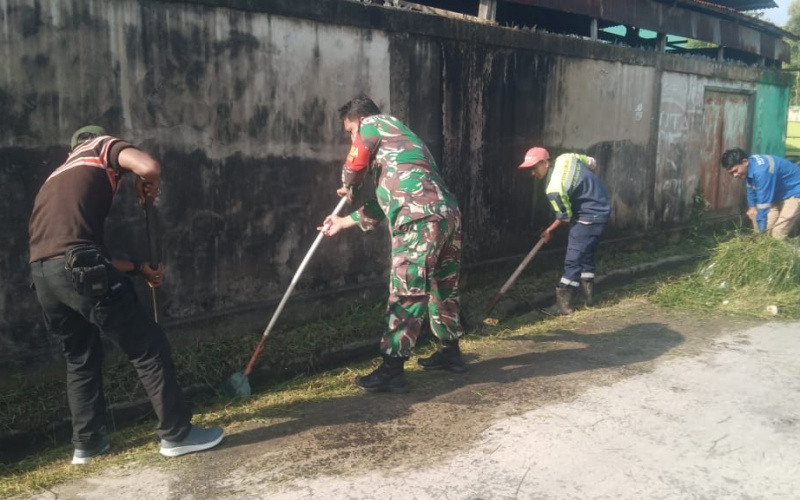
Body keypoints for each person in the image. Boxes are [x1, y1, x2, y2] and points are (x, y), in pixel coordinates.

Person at [28, 125, 224, 464]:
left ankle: (87, 444)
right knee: (148, 346)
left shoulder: (56, 179)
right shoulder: (100, 148)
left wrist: (138, 268)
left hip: (44, 276)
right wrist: (146, 181)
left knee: (81, 359)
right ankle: (177, 435)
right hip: (77, 268)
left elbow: (79, 256)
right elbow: (149, 166)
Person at [319, 97, 466, 393]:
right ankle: (450, 352)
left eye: (350, 131)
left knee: (406, 291)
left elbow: (354, 164)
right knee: (442, 286)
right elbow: (392, 198)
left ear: (359, 120)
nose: (352, 137)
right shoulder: (404, 141)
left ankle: (392, 369)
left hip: (418, 220)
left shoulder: (372, 124)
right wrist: (344, 221)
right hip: (447, 215)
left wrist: (349, 185)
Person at [518, 147, 611, 315]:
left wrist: (549, 230)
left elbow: (565, 217)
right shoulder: (567, 158)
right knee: (587, 254)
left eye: (534, 167)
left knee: (573, 260)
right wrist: (586, 186)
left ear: (545, 163)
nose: (532, 173)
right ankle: (588, 298)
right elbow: (592, 163)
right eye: (530, 169)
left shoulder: (553, 188)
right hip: (603, 208)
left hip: (587, 216)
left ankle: (563, 306)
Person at [720, 148, 800, 239]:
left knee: (777, 233)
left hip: (795, 193)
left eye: (735, 170)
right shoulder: (750, 165)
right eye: (731, 173)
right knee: (766, 228)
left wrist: (761, 231)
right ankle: (762, 240)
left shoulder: (761, 171)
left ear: (745, 162)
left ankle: (785, 247)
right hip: (776, 194)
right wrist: (752, 207)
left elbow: (763, 204)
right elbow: (750, 187)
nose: (735, 175)